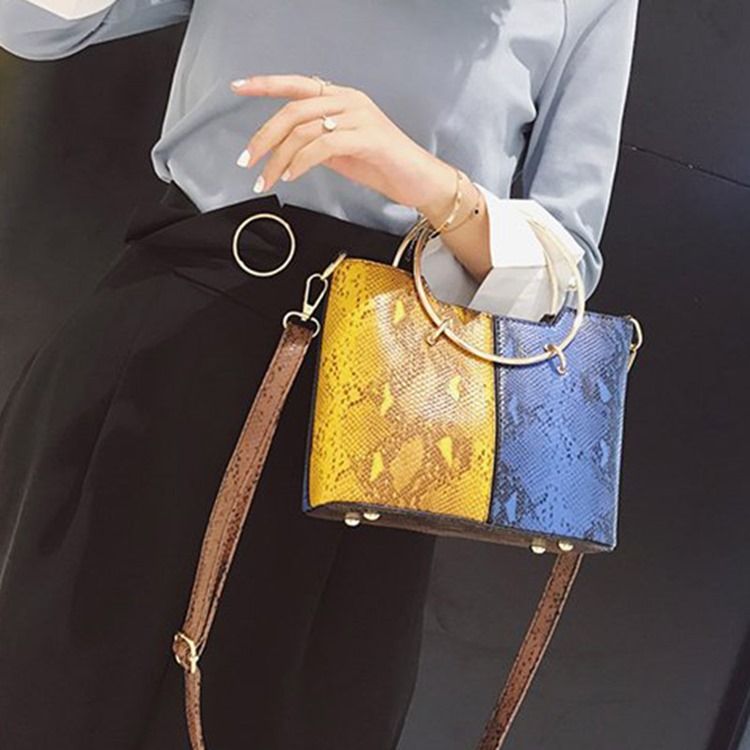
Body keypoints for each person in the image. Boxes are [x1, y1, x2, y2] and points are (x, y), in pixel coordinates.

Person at [0, 1, 640, 748]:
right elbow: (33, 22)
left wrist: (435, 187)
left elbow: (565, 271)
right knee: (54, 685)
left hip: (380, 412)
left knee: (287, 711)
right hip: (168, 346)